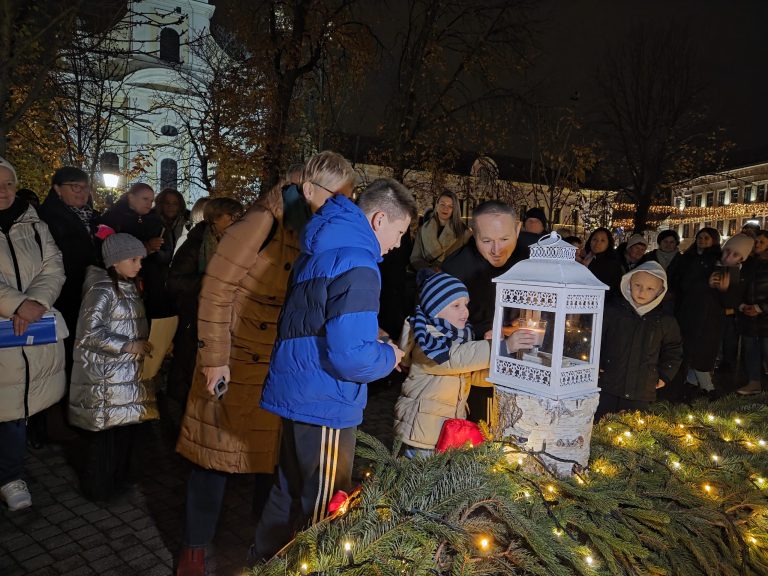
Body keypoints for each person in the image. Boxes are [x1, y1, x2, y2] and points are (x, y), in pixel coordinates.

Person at [174, 151, 357, 576]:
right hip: (236, 359)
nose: (342, 205)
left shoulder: (312, 226)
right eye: (338, 196)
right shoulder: (262, 219)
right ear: (306, 187)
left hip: (281, 361)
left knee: (274, 460)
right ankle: (194, 548)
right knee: (213, 457)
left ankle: (263, 551)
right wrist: (215, 358)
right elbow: (217, 288)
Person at [249, 177, 416, 563]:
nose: (397, 244)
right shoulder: (360, 261)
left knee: (286, 489)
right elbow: (351, 358)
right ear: (378, 219)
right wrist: (389, 356)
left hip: (299, 389)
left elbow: (313, 320)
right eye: (400, 231)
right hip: (326, 399)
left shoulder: (323, 247)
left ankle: (261, 562)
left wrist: (366, 333)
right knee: (325, 507)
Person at [393, 271, 529, 457]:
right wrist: (500, 347)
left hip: (446, 431)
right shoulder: (427, 342)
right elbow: (456, 359)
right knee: (419, 479)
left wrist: (502, 368)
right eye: (456, 305)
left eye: (465, 304)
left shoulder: (459, 338)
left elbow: (471, 375)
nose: (464, 311)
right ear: (434, 311)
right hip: (422, 433)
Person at [68, 233, 157, 501]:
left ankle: (118, 481)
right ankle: (100, 488)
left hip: (125, 378)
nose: (139, 264)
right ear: (115, 261)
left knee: (123, 436)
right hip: (107, 379)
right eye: (134, 259)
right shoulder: (102, 289)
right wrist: (129, 346)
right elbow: (89, 333)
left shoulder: (128, 286)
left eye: (141, 258)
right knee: (106, 440)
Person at [0, 156, 66, 511]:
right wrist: (14, 304)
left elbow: (53, 266)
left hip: (26, 331)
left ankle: (10, 476)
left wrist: (37, 302)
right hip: (9, 321)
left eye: (9, 183)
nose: (3, 191)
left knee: (15, 407)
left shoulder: (34, 224)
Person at [442, 200, 523, 424]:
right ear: (473, 234)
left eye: (505, 239)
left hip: (521, 369)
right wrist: (485, 332)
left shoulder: (531, 259)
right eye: (486, 241)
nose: (497, 250)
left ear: (518, 229)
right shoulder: (455, 269)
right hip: (473, 372)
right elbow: (443, 329)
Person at [166, 197, 243, 412]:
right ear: (215, 218)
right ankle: (179, 416)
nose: (238, 220)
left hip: (223, 318)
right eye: (232, 216)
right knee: (188, 369)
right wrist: (212, 283)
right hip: (194, 317)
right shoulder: (196, 244)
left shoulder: (237, 243)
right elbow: (175, 282)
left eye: (240, 216)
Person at [594, 262, 683, 419]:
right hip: (609, 383)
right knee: (602, 423)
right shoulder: (612, 312)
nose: (642, 292)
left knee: (632, 429)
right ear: (629, 283)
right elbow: (596, 339)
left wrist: (665, 374)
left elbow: (673, 348)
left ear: (660, 291)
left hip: (641, 389)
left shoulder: (664, 321)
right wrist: (597, 363)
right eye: (638, 285)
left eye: (650, 289)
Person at [38, 167, 100, 378]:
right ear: (57, 189)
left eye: (85, 187)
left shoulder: (91, 217)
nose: (82, 192)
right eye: (75, 187)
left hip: (87, 292)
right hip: (63, 295)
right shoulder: (45, 220)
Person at [99, 183, 169, 318]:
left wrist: (158, 251)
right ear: (131, 197)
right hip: (122, 279)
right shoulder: (113, 218)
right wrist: (146, 247)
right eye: (145, 199)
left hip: (152, 279)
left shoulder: (155, 221)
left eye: (151, 200)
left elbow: (166, 252)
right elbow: (111, 249)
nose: (149, 203)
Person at [736, 230, 768, 395]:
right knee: (751, 351)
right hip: (748, 317)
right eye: (755, 242)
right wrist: (742, 305)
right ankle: (754, 382)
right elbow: (739, 287)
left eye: (761, 242)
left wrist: (760, 307)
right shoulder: (747, 264)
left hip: (765, 317)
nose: (757, 245)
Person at [410, 189, 470, 270]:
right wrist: (430, 270)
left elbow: (466, 261)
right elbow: (415, 257)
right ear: (436, 205)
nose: (445, 208)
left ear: (454, 210)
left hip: (450, 278)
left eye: (450, 206)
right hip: (427, 277)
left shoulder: (464, 233)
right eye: (442, 204)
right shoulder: (422, 230)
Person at [581, 227, 622, 293]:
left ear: (608, 243)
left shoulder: (611, 263)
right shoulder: (586, 258)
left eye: (602, 240)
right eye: (594, 239)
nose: (597, 243)